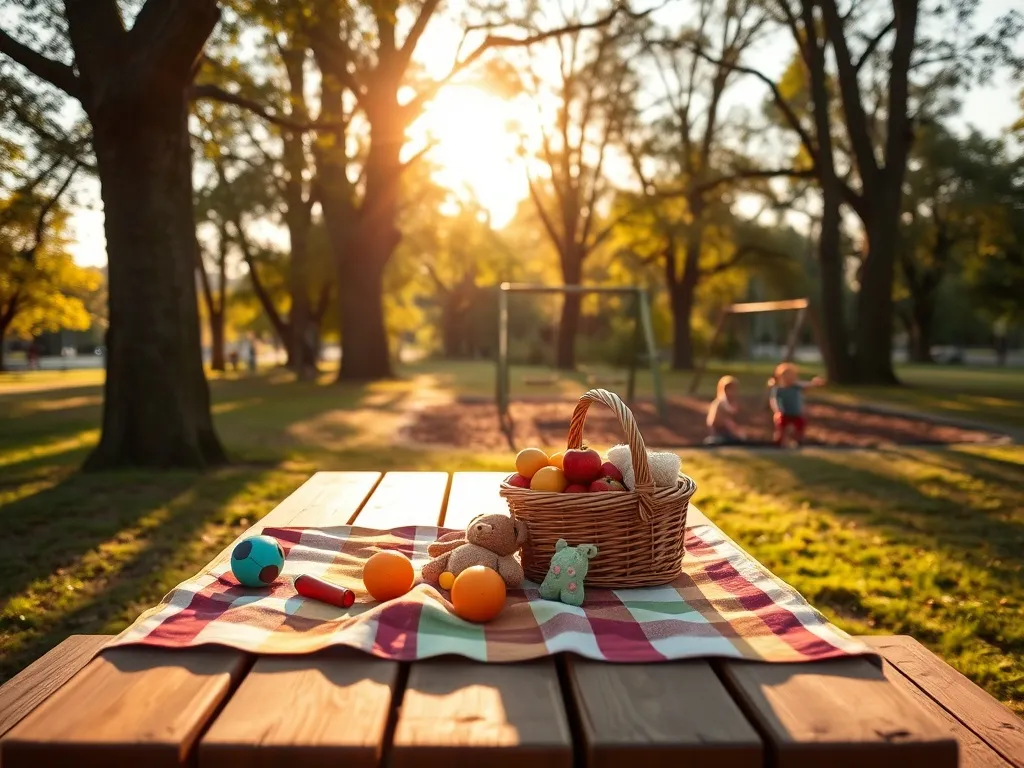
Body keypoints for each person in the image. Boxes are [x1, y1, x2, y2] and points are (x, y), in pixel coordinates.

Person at [768, 362, 825, 447]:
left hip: (796, 413)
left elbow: (807, 385)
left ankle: (798, 440)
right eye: (786, 376)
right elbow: (773, 400)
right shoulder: (778, 389)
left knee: (800, 425)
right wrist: (777, 410)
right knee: (781, 427)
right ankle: (779, 441)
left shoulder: (796, 386)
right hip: (783, 413)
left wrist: (814, 383)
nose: (789, 378)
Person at [705, 375, 746, 444]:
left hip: (734, 434)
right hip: (720, 435)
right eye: (728, 389)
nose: (731, 392)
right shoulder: (718, 404)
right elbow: (711, 422)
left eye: (733, 389)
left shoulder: (736, 404)